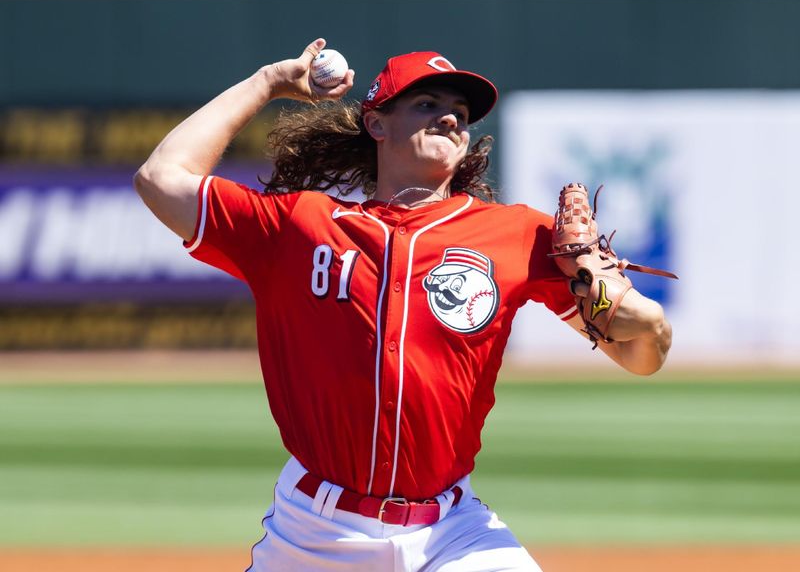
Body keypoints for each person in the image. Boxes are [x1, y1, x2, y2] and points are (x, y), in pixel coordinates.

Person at [135, 38, 672, 572]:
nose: (449, 120)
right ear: (377, 124)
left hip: (451, 533)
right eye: (426, 105)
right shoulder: (300, 226)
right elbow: (161, 179)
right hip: (315, 535)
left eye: (459, 113)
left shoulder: (515, 234)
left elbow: (641, 355)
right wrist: (268, 83)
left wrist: (612, 293)